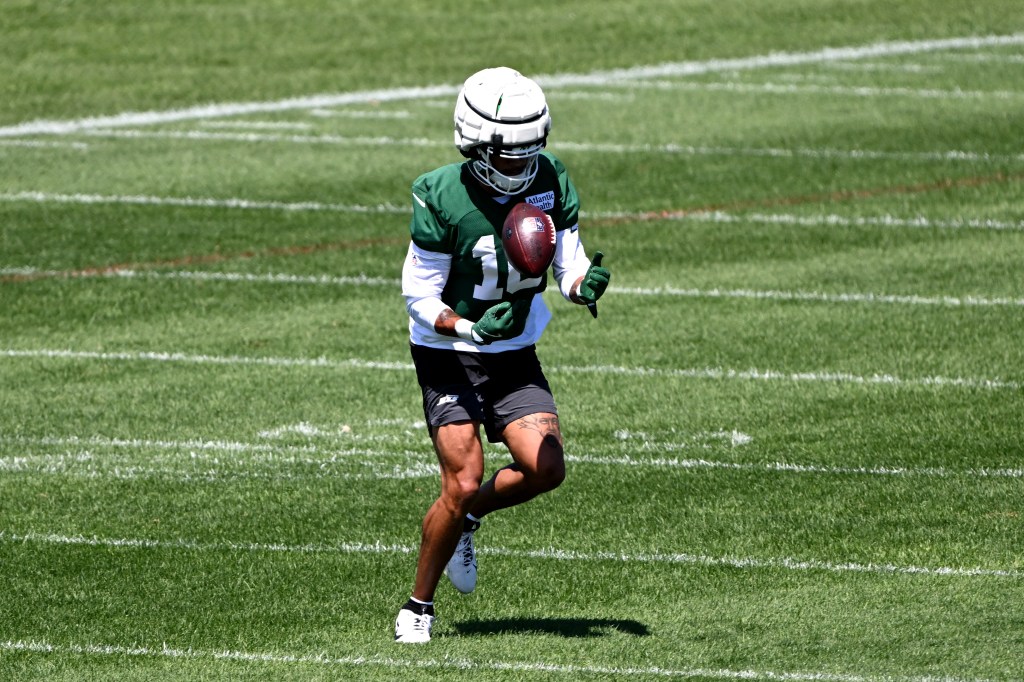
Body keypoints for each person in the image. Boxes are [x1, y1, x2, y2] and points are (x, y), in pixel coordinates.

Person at [394, 66, 610, 643]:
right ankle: (418, 607)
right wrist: (466, 325)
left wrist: (581, 284)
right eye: (507, 156)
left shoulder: (550, 177)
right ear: (474, 142)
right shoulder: (439, 192)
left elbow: (568, 261)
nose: (520, 167)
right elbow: (418, 296)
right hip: (448, 350)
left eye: (528, 154)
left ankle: (469, 521)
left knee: (547, 469)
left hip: (513, 349)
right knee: (462, 478)